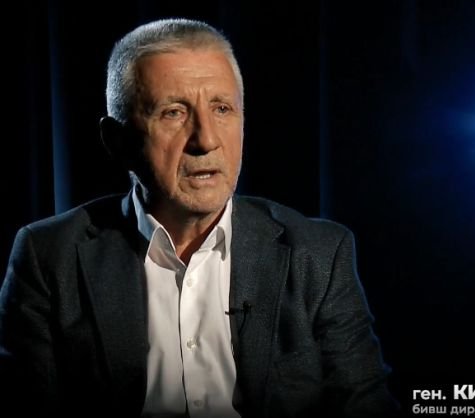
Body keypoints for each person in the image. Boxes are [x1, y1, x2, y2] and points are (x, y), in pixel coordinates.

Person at [0, 18, 396, 418]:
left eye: (222, 109)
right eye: (174, 113)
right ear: (116, 141)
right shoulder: (49, 257)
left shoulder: (318, 254)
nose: (206, 140)